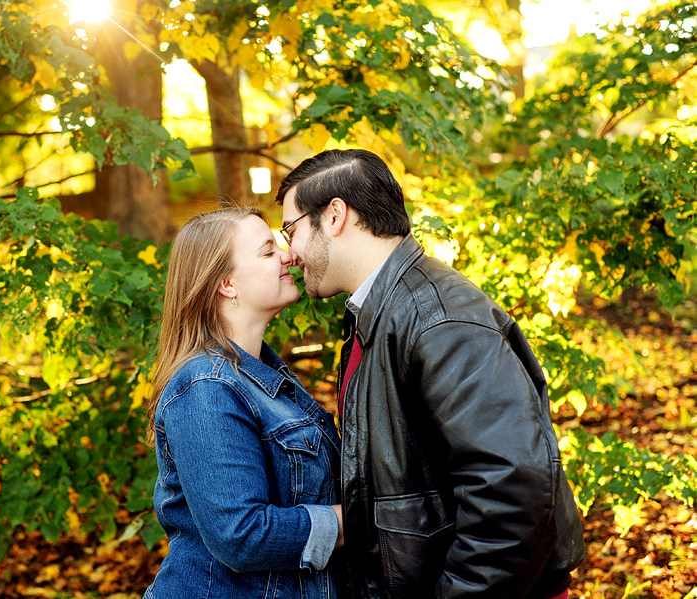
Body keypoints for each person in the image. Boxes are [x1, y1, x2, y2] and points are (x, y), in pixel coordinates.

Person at [275, 149, 586, 599]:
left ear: (335, 215)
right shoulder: (381, 312)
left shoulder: (437, 321)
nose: (291, 251)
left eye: (291, 229)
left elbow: (511, 491)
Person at [143, 208, 344, 599]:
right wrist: (362, 520)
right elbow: (242, 536)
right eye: (268, 252)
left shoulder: (266, 377)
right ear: (227, 285)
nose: (287, 255)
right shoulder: (205, 385)